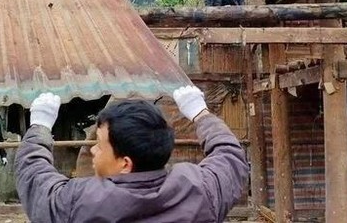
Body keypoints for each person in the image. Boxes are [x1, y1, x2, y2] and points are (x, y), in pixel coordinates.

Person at [15, 86, 249, 223]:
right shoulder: (199, 190)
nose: (93, 149)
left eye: (100, 144)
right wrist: (201, 113)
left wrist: (40, 126)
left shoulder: (79, 201)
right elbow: (230, 156)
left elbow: (35, 178)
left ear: (125, 164)